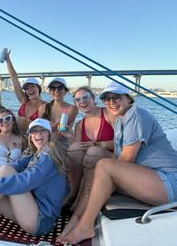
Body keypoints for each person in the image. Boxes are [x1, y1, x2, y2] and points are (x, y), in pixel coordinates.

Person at [57, 82, 177, 244]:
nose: (111, 102)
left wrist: (99, 164)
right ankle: (76, 218)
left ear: (128, 98)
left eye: (116, 97)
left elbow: (126, 160)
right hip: (151, 179)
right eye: (107, 99)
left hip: (168, 182)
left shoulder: (136, 115)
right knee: (98, 167)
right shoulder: (121, 120)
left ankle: (84, 225)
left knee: (103, 166)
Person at [59, 86, 115, 237]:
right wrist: (70, 137)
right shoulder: (80, 125)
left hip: (113, 162)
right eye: (77, 99)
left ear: (93, 98)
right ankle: (73, 194)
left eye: (85, 97)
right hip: (90, 166)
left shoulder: (108, 114)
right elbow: (75, 152)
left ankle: (79, 214)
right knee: (75, 149)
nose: (82, 101)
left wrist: (100, 144)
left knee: (93, 151)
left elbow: (124, 142)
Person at [4, 51, 45, 134]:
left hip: (31, 140)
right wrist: (8, 60)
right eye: (27, 88)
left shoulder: (45, 106)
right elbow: (14, 78)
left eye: (32, 86)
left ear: (39, 88)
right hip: (16, 137)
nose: (30, 90)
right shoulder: (24, 100)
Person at [38, 77, 78, 145]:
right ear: (50, 91)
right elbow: (40, 128)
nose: (56, 91)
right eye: (53, 88)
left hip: (63, 143)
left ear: (65, 91)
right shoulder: (42, 107)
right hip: (45, 142)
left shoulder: (72, 109)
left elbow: (58, 127)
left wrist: (48, 125)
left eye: (60, 88)